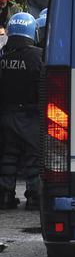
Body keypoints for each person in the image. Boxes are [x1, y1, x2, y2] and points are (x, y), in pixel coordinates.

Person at [0, 12, 43, 210]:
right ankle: (34, 196)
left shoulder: (2, 54)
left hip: (6, 113)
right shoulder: (38, 56)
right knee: (33, 156)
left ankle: (5, 195)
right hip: (31, 114)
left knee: (9, 154)